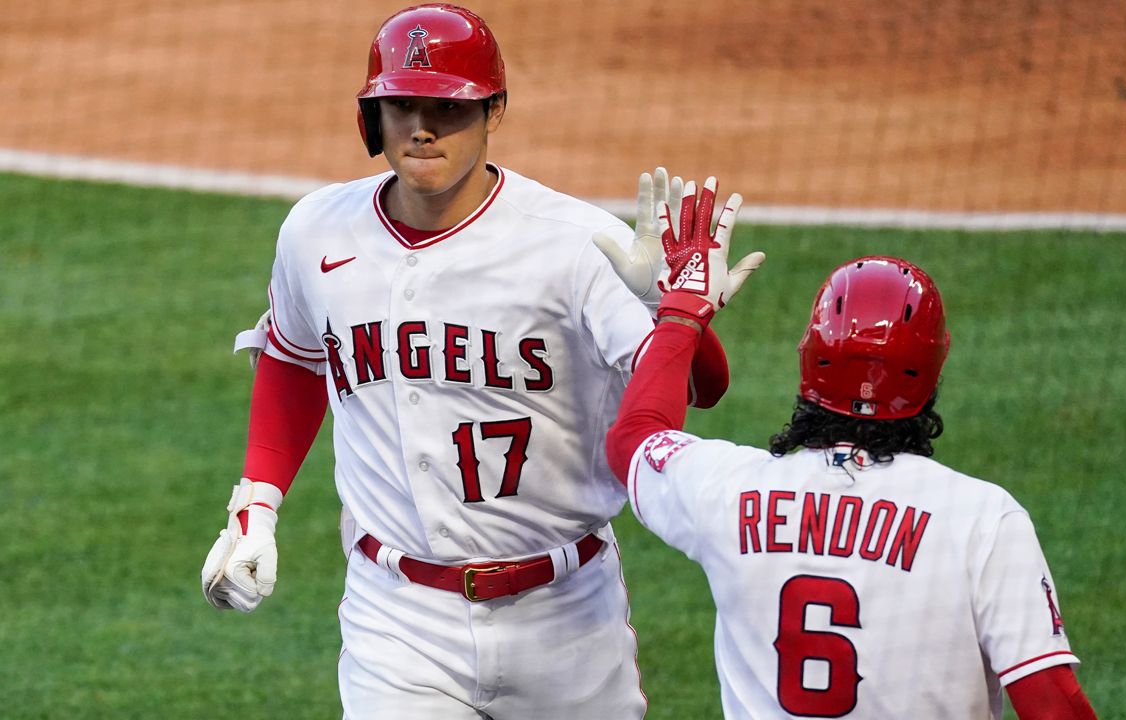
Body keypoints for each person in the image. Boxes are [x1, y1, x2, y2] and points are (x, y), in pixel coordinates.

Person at [198, 4, 733, 718]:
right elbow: (296, 359)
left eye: (448, 109)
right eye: (402, 105)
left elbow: (703, 391)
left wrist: (680, 312)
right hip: (399, 620)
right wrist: (254, 507)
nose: (422, 127)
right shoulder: (316, 232)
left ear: (494, 112)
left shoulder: (578, 245)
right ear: (372, 116)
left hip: (566, 617)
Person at [604, 178, 1098, 718]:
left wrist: (678, 312)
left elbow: (635, 438)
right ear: (932, 373)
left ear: (809, 357)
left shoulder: (730, 490)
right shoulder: (982, 520)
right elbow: (1054, 706)